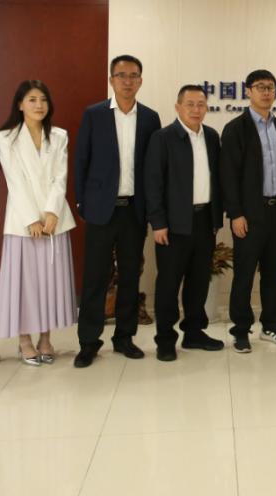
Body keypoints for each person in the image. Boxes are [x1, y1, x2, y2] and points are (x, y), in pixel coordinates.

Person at [73, 55, 162, 367]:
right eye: (121, 75)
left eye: (133, 75)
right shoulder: (94, 114)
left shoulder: (150, 118)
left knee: (130, 276)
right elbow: (81, 160)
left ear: (141, 81)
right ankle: (89, 342)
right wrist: (82, 203)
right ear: (111, 79)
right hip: (101, 209)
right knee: (95, 278)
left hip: (134, 210)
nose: (127, 81)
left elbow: (154, 167)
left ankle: (124, 338)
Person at [0, 80, 77, 366]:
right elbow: (14, 180)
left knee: (49, 282)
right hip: (22, 222)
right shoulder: (6, 137)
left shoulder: (59, 136)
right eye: (32, 99)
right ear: (20, 104)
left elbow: (60, 177)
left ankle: (45, 338)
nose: (39, 105)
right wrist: (32, 219)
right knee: (25, 284)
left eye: (43, 99)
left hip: (55, 221)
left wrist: (52, 212)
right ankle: (24, 340)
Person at [144, 84, 225, 361]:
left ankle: (194, 333)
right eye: (190, 104)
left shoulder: (211, 136)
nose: (195, 109)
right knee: (169, 284)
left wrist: (216, 219)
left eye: (201, 104)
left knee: (198, 281)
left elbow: (217, 180)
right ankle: (165, 339)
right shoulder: (163, 138)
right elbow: (153, 183)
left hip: (205, 220)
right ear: (178, 107)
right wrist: (158, 223)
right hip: (173, 224)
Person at [221, 69, 276, 353]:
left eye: (271, 87)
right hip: (249, 215)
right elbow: (228, 175)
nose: (267, 92)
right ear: (248, 91)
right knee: (244, 275)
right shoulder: (235, 128)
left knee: (274, 273)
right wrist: (235, 213)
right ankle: (241, 330)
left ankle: (272, 325)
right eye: (261, 87)